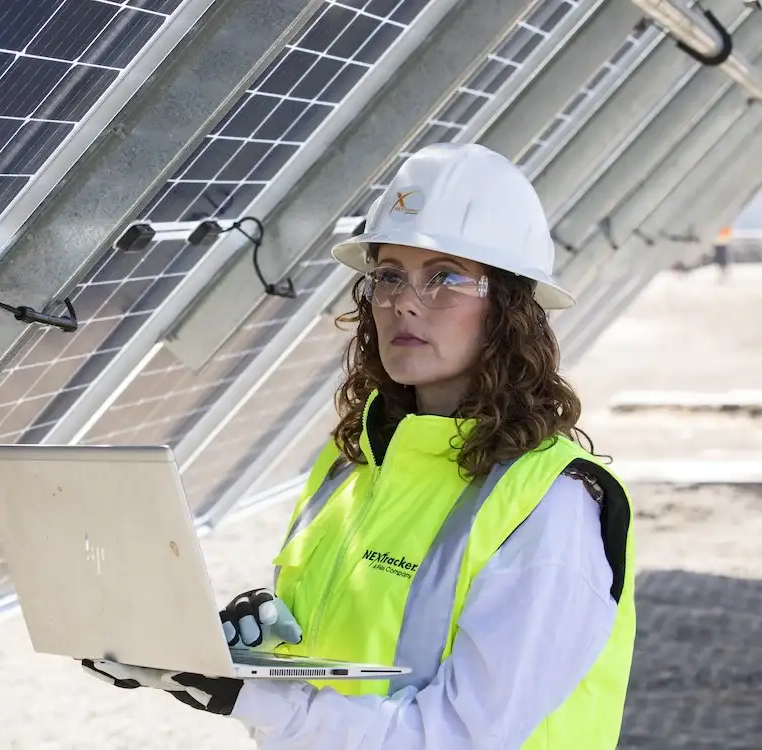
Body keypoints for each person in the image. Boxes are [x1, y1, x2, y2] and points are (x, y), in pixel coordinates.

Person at [82, 143, 636, 749]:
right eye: (389, 275)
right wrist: (239, 651)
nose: (402, 300)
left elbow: (457, 737)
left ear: (509, 308)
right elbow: (340, 665)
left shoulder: (549, 509)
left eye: (445, 276)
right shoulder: (352, 464)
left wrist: (253, 695)